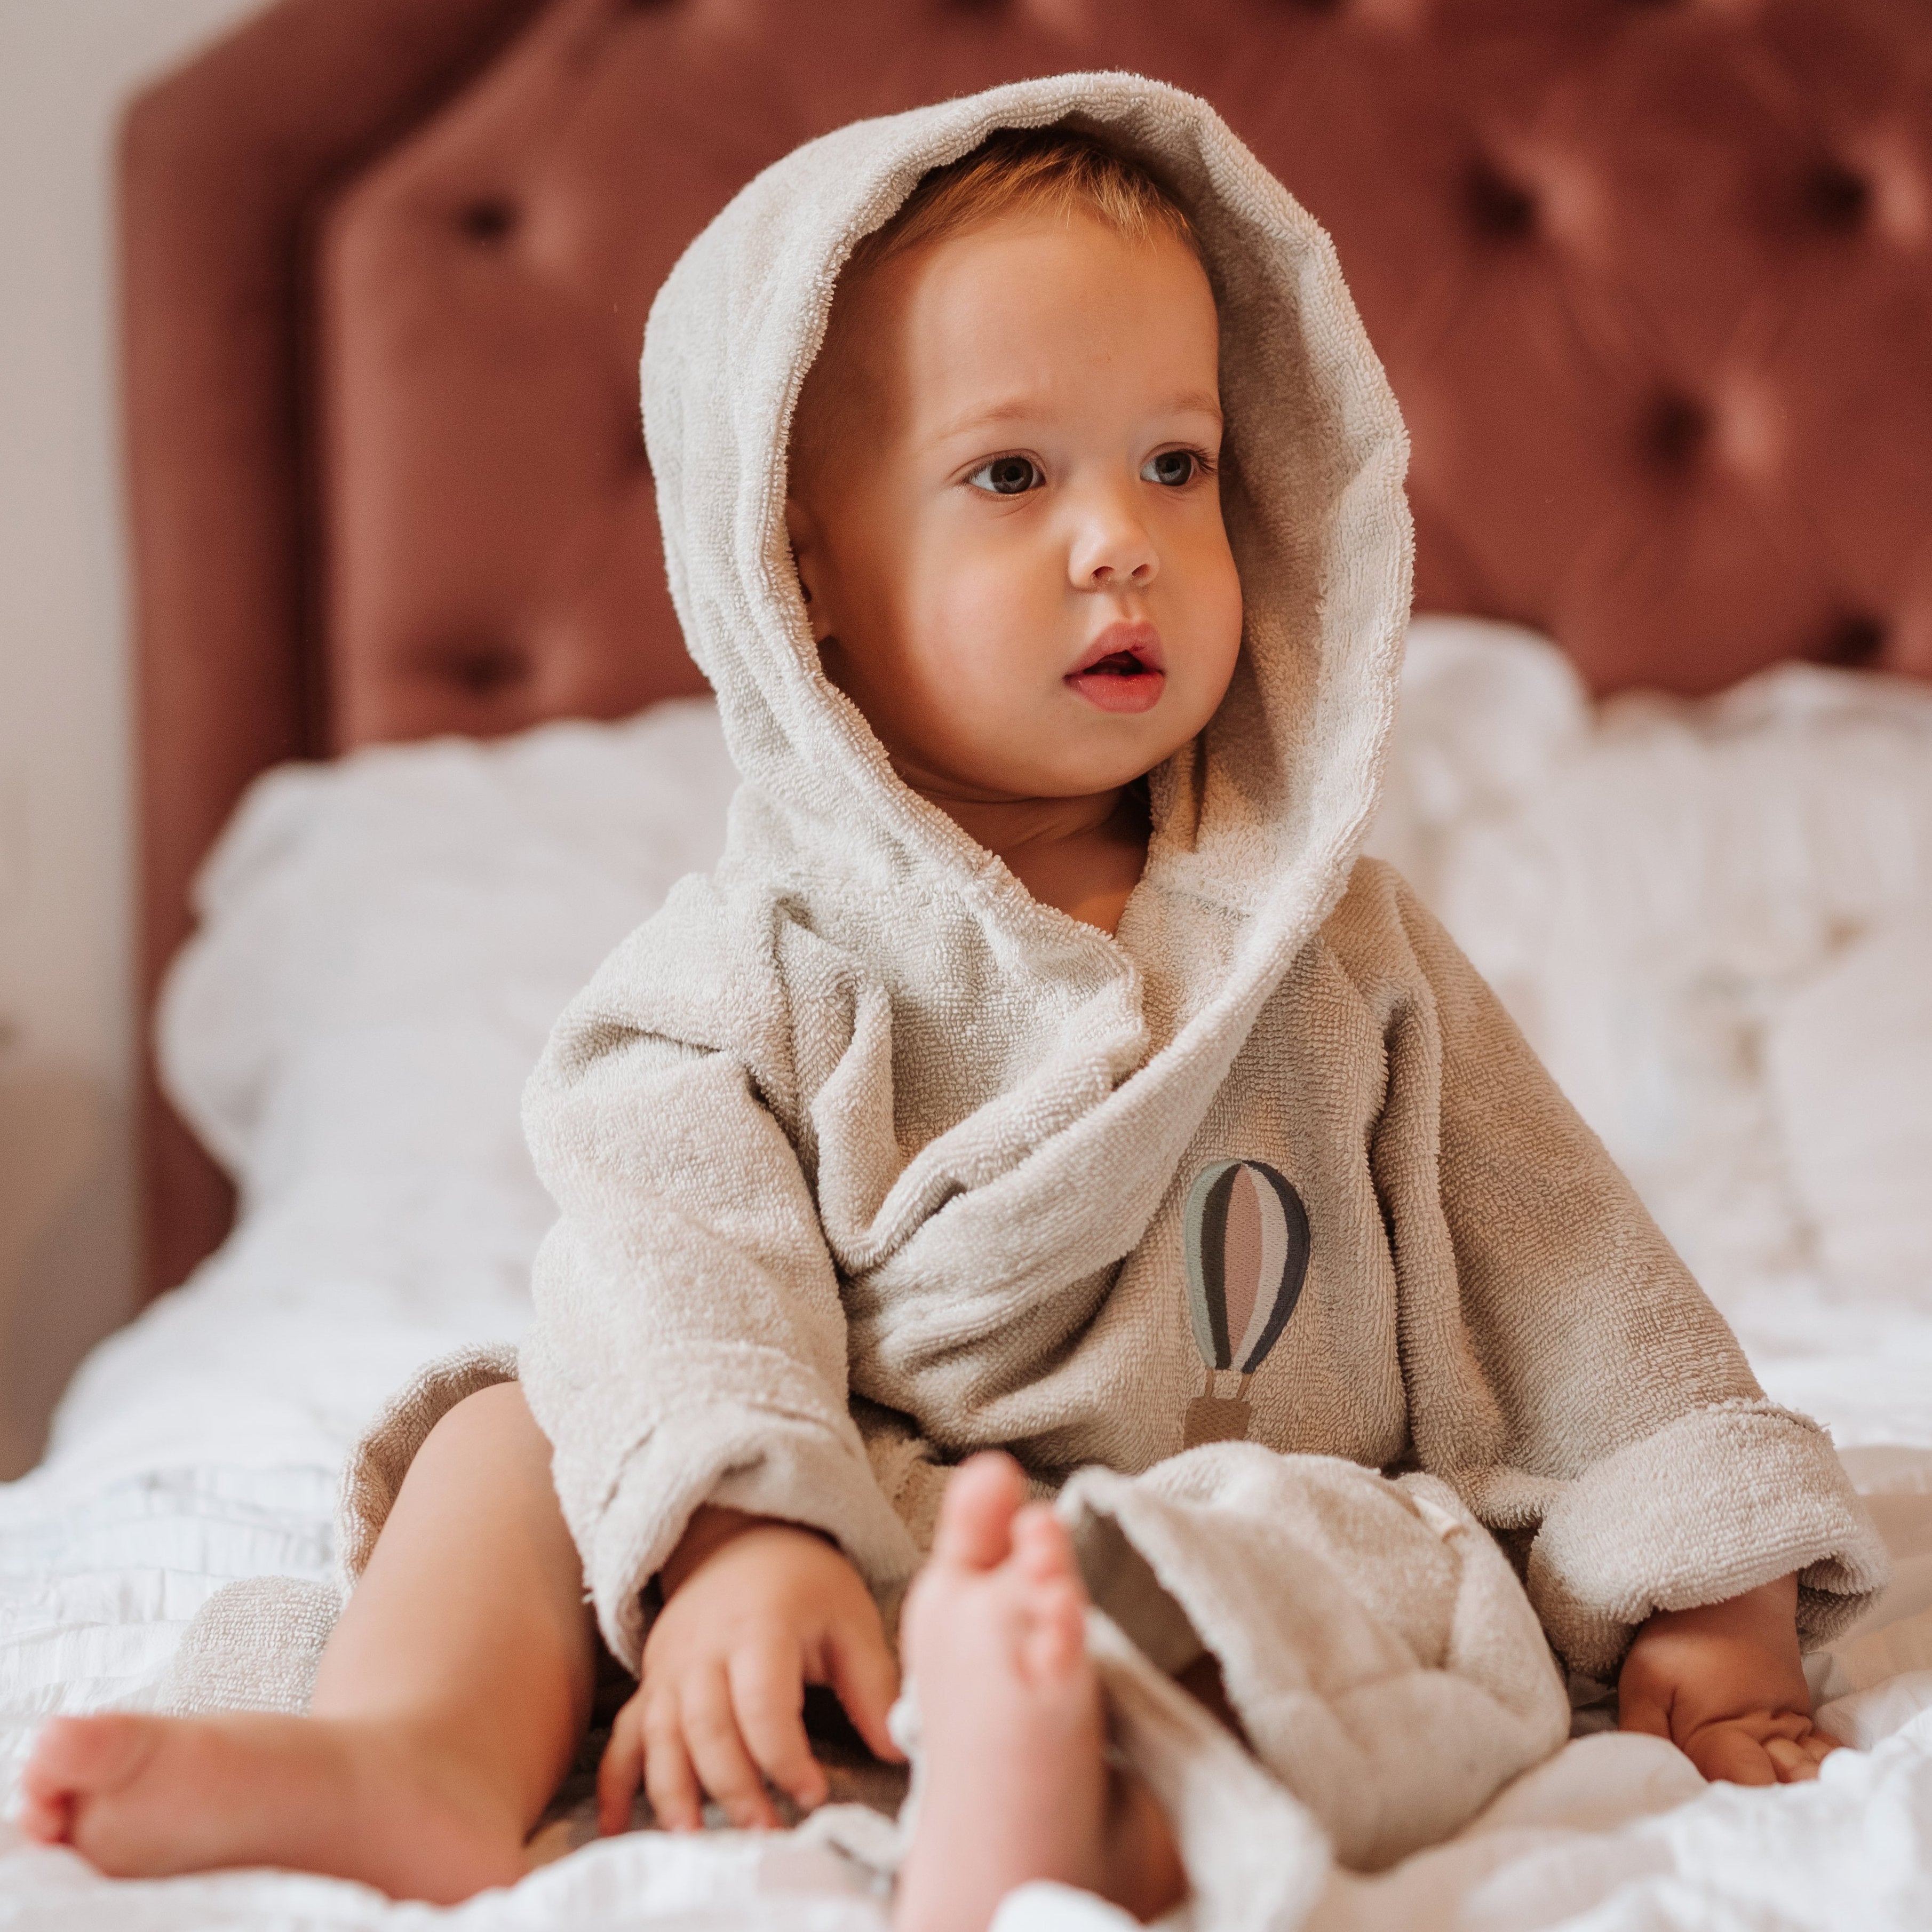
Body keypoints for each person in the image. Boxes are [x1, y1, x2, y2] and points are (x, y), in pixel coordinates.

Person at [19, 79, 1887, 1932]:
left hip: (1201, 1542)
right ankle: (418, 1752)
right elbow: (677, 1269)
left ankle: (1070, 1820)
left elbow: (1568, 1275)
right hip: (826, 1550)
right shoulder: (741, 977)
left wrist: (1705, 1584)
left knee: (1343, 1596)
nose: (1121, 541)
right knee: (514, 1436)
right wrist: (746, 1536)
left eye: (1178, 463)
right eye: (1015, 474)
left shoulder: (1345, 964)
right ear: (799, 568)